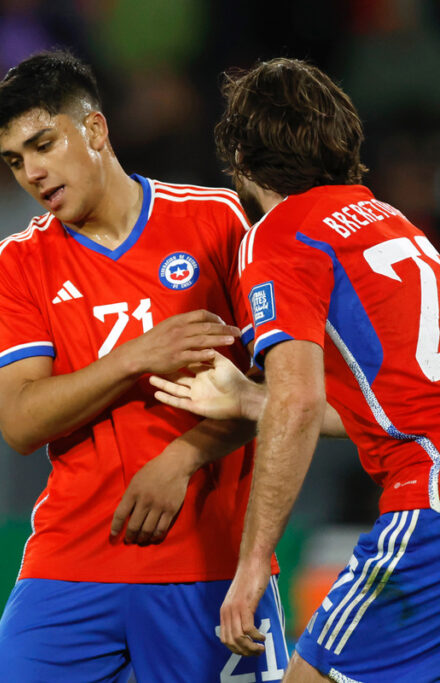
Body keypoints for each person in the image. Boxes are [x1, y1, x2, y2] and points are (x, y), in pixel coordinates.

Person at [0, 50, 289, 682]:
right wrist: (135, 358)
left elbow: (277, 388)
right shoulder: (16, 264)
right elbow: (19, 420)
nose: (33, 172)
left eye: (43, 144)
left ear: (94, 131)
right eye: (15, 160)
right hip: (70, 560)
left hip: (207, 557)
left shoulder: (215, 220)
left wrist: (181, 459)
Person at [154, 57, 440, 681]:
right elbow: (393, 404)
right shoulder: (395, 224)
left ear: (242, 162)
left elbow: (300, 403)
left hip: (428, 505)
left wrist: (252, 566)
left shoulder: (282, 234)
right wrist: (250, 401)